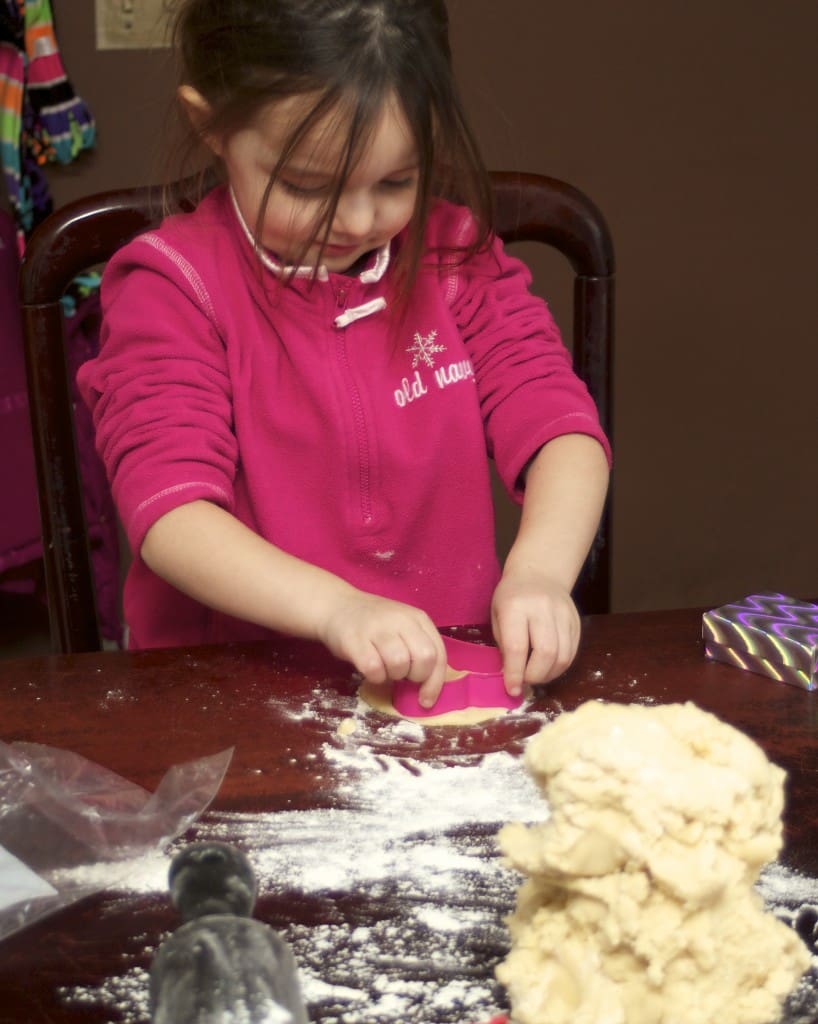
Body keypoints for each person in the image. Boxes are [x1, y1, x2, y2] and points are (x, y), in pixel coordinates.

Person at [78, 0, 611, 709]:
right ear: (212, 125)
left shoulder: (454, 256)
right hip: (232, 689)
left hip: (440, 674)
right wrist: (336, 609)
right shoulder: (175, 287)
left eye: (396, 182)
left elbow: (559, 425)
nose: (359, 222)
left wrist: (541, 572)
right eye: (305, 186)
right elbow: (170, 511)